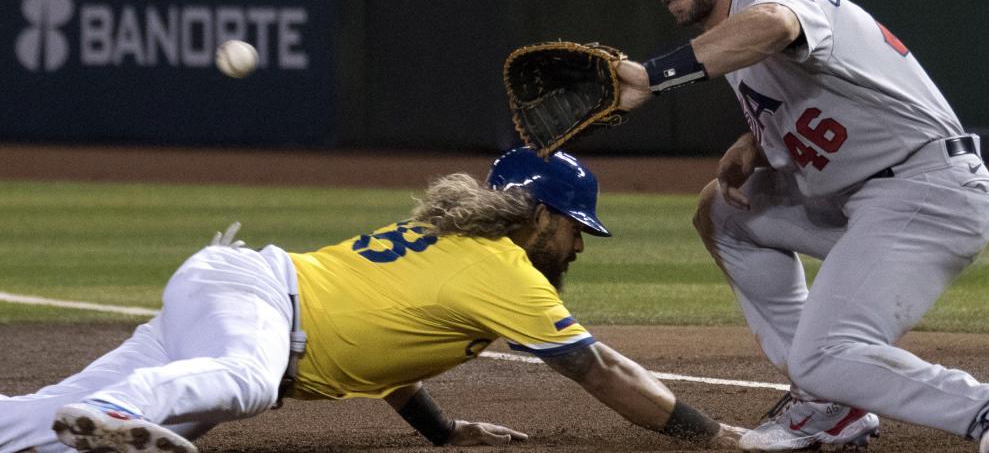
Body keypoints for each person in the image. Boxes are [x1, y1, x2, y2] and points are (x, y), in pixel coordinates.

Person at [612, 0, 989, 452]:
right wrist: (755, 144)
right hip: (866, 195)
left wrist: (655, 77)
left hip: (928, 191)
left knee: (828, 351)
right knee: (722, 212)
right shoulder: (726, 37)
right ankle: (825, 405)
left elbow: (775, 26)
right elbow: (838, 97)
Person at [0, 147, 745, 453]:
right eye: (574, 227)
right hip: (257, 303)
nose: (579, 245)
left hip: (233, 293)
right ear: (538, 216)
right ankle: (129, 409)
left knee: (66, 412)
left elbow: (385, 350)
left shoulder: (457, 247)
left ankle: (77, 413)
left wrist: (444, 431)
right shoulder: (504, 269)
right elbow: (601, 369)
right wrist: (717, 435)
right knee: (242, 384)